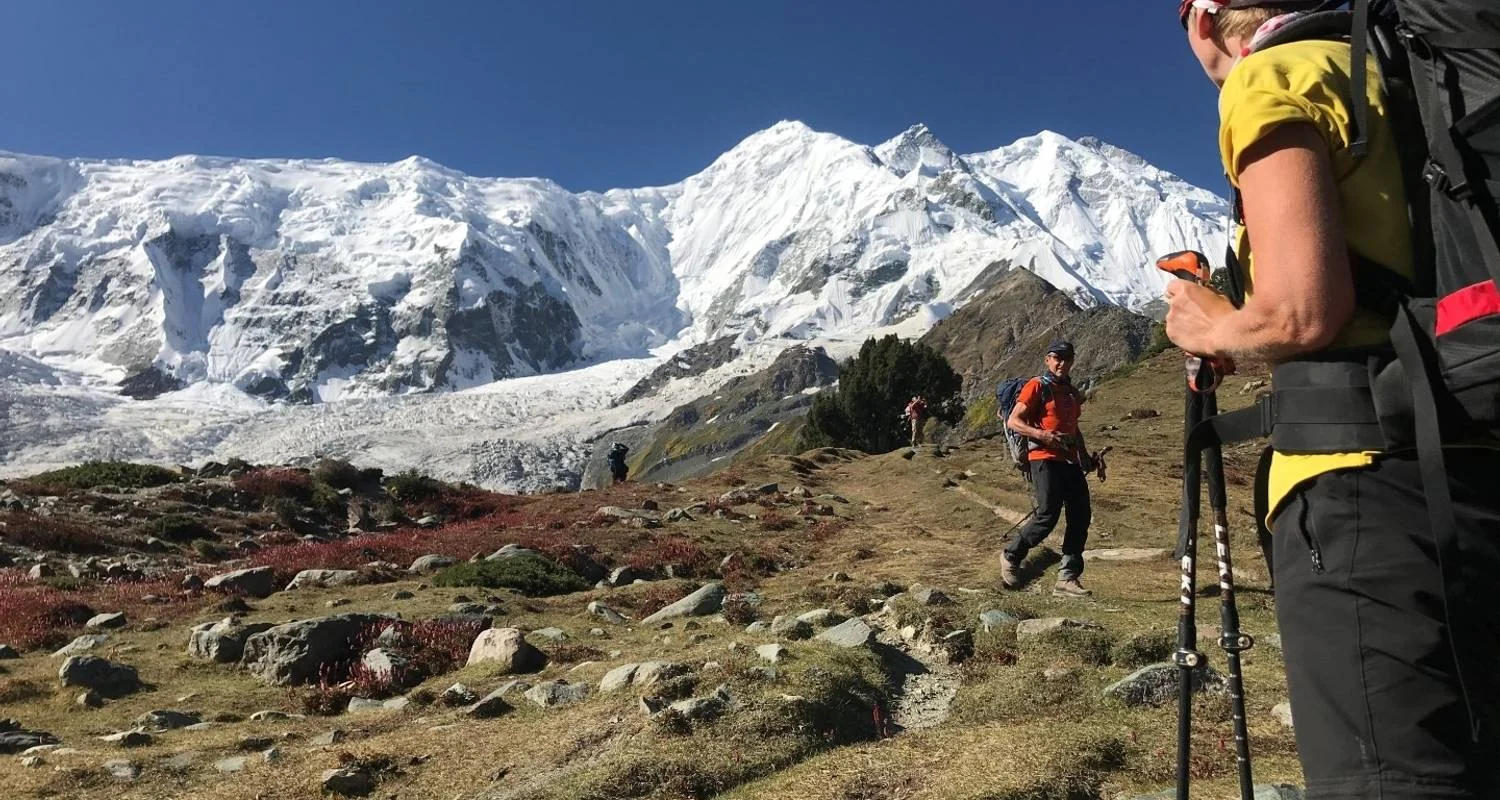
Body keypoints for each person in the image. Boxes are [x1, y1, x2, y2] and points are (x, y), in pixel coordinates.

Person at [1167, 2, 1500, 797]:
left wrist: (1213, 327)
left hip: (1367, 496)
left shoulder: (1277, 75)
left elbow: (1299, 312)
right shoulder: (1428, 78)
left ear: (1206, 20)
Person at [999, 340, 1097, 598]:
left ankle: (1067, 578)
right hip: (1043, 457)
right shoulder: (1036, 386)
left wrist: (1085, 456)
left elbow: (1073, 428)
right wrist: (1043, 435)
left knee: (1081, 515)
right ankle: (1011, 556)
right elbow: (1014, 421)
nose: (1062, 363)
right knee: (1047, 515)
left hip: (1070, 460)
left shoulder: (1070, 393)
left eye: (1067, 358)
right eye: (1057, 358)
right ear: (1047, 360)